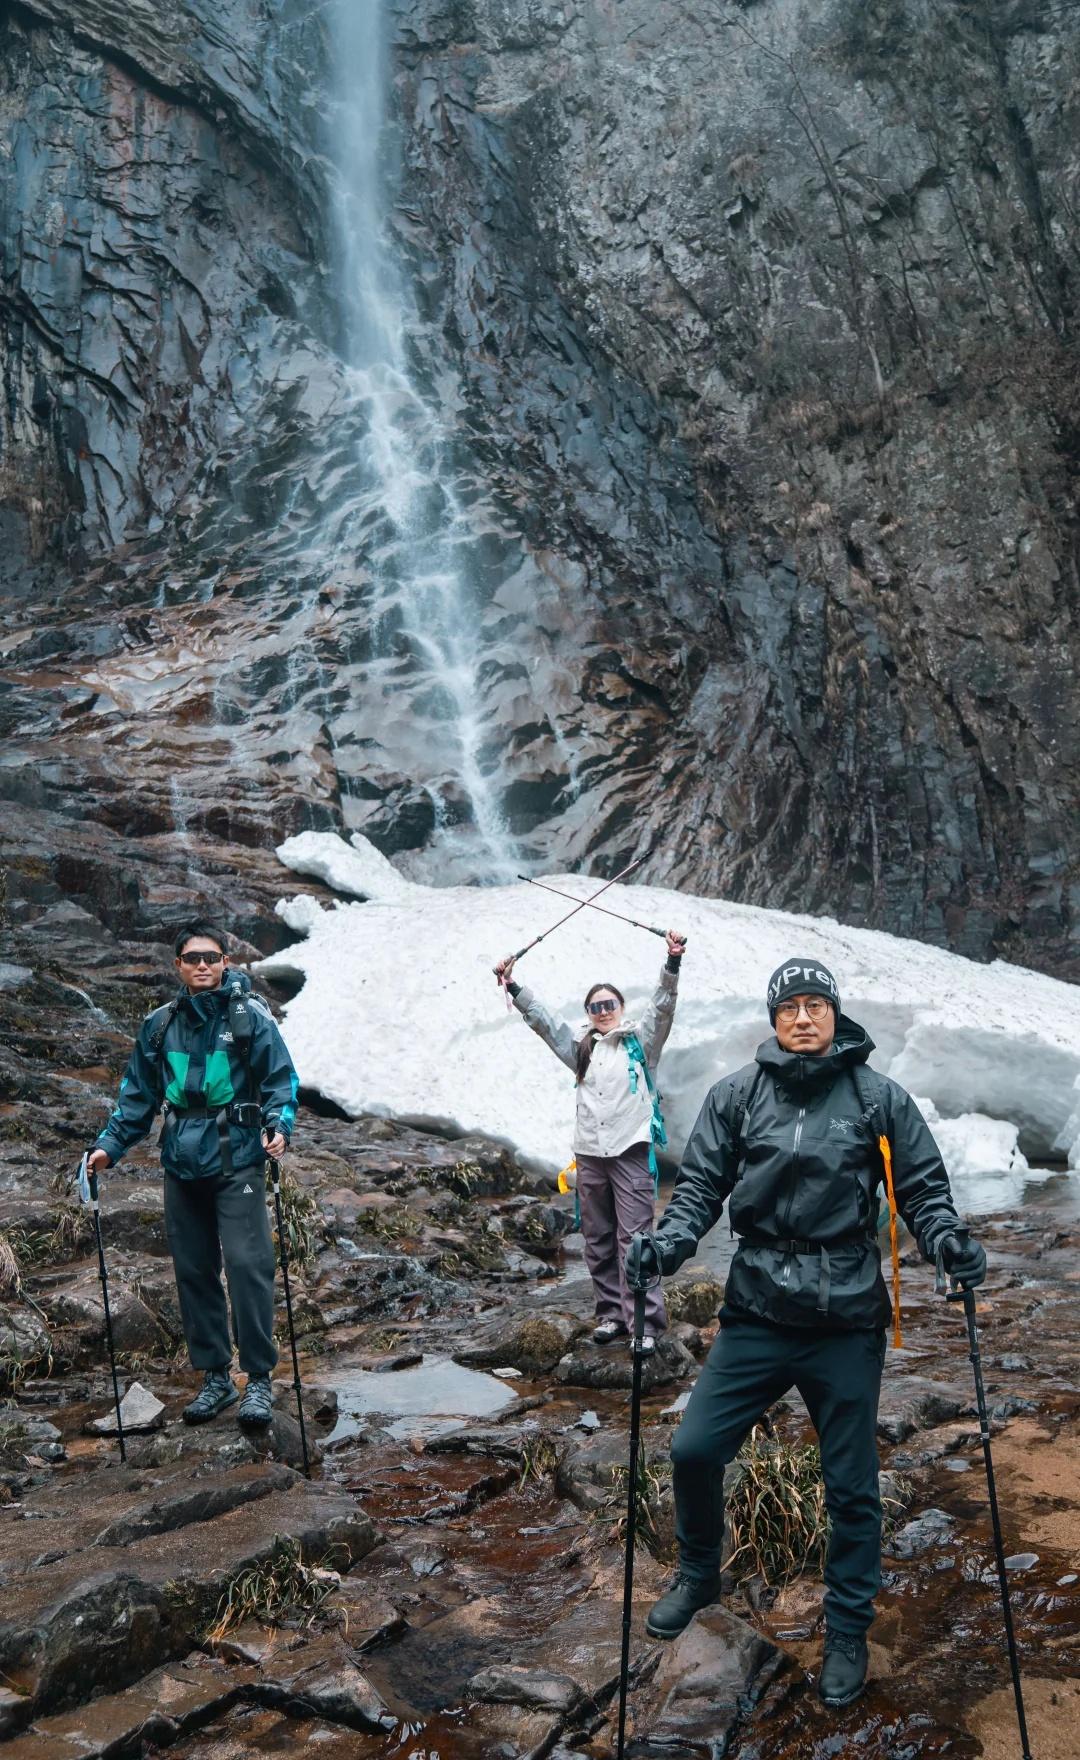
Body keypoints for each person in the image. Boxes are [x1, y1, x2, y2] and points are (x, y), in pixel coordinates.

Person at [626, 957, 986, 1708]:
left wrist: (947, 1240)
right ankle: (700, 1571)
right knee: (694, 1450)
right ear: (774, 1017)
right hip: (757, 1309)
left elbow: (921, 1191)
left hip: (847, 1318)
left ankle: (847, 1627)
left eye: (816, 1004)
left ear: (834, 1015)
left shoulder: (878, 1097)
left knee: (850, 1487)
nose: (802, 1017)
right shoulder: (737, 1095)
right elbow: (699, 1190)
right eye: (790, 1005)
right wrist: (668, 1244)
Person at [86, 921, 300, 1429]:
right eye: (192, 957)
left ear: (225, 962)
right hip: (181, 1164)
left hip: (239, 1160)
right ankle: (216, 1379)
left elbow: (280, 1081)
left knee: (249, 1267)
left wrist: (280, 1126)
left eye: (212, 956)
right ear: (178, 965)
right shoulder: (160, 1025)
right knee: (194, 1271)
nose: (202, 964)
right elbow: (137, 1096)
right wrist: (107, 1148)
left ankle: (259, 1381)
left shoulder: (251, 1019)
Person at [494, 931, 687, 1355]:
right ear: (589, 1012)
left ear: (620, 1009)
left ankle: (645, 1324)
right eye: (595, 1006)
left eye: (609, 1005)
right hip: (590, 1156)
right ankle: (612, 1315)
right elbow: (546, 1023)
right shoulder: (579, 1047)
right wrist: (513, 986)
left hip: (631, 1153)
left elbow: (662, 1008)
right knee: (598, 1238)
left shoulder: (641, 1043)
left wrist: (671, 964)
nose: (602, 1011)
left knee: (634, 1241)